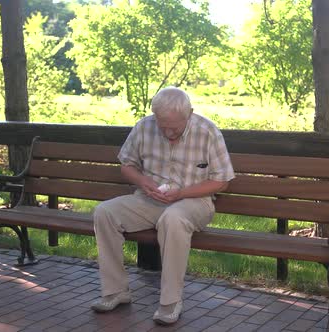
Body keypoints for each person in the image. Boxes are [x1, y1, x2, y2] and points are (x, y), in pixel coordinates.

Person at [90, 86, 235, 325]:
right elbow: (126, 165)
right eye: (162, 125)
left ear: (189, 114)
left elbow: (222, 181)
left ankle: (170, 302)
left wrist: (182, 193)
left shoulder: (207, 131)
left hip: (194, 202)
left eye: (174, 127)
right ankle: (115, 291)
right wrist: (143, 181)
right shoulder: (144, 127)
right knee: (104, 212)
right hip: (150, 199)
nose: (167, 132)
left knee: (173, 218)